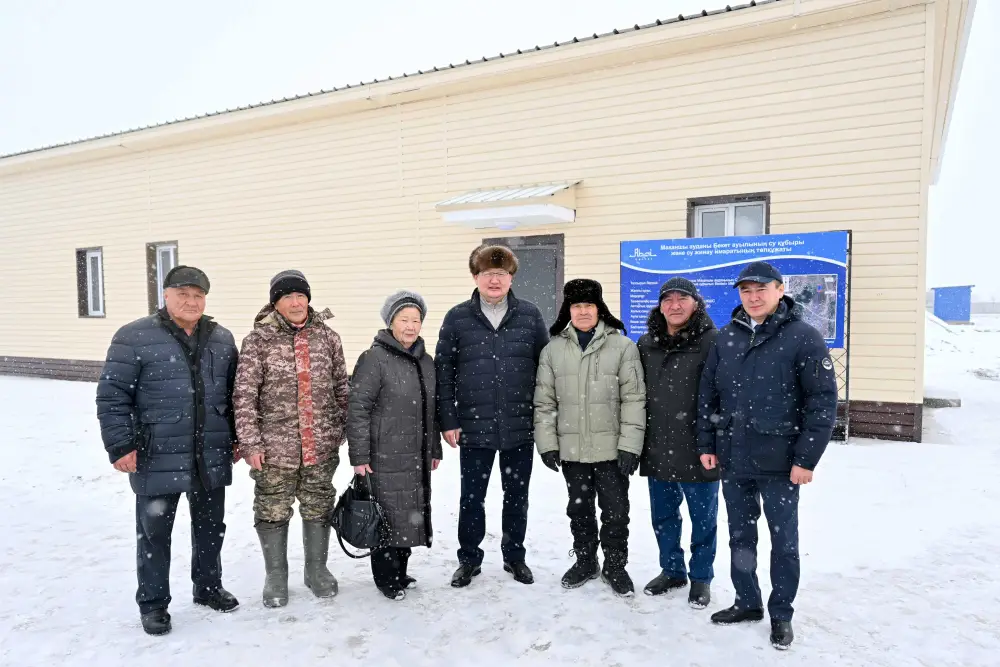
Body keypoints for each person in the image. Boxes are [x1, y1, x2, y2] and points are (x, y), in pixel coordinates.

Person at [697, 261, 838, 650]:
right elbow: (708, 395)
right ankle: (747, 602)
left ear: (779, 290)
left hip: (781, 462)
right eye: (746, 290)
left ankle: (781, 614)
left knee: (784, 542)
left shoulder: (803, 337)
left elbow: (822, 402)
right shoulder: (727, 337)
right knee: (740, 536)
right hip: (734, 458)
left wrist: (806, 459)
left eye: (761, 289)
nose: (753, 297)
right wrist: (707, 445)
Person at [96, 265, 240, 636]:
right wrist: (120, 445)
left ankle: (208, 586)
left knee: (211, 527)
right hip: (156, 452)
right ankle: (154, 603)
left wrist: (237, 437)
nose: (191, 302)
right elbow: (112, 396)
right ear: (166, 295)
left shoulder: (222, 339)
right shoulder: (134, 337)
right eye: (183, 294)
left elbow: (234, 395)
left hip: (209, 451)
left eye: (198, 295)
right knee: (154, 533)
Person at [232, 270, 349, 607]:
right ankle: (276, 576)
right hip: (274, 450)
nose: (296, 303)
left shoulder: (328, 337)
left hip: (320, 445)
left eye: (301, 296)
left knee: (319, 505)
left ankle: (316, 570)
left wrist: (342, 429)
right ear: (276, 303)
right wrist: (250, 443)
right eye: (287, 297)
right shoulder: (258, 341)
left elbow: (342, 389)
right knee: (271, 509)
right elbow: (244, 396)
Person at [435, 244, 549, 588]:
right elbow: (444, 371)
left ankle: (514, 556)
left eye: (501, 274)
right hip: (474, 426)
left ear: (511, 278)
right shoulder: (457, 317)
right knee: (472, 498)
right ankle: (469, 560)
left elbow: (546, 369)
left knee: (517, 496)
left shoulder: (530, 315)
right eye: (487, 274)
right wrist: (448, 419)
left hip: (519, 423)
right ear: (476, 277)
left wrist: (543, 416)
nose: (494, 280)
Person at [534, 279, 645, 597]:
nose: (583, 311)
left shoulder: (623, 347)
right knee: (579, 510)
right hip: (573, 450)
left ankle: (615, 565)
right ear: (568, 310)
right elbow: (544, 402)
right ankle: (586, 561)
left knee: (616, 512)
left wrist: (630, 445)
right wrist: (548, 443)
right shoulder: (553, 350)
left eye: (589, 305)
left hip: (612, 450)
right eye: (577, 306)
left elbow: (634, 399)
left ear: (600, 309)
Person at [347, 290, 442, 600]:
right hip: (383, 455)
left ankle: (400, 571)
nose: (411, 326)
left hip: (415, 455)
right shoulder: (373, 359)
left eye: (416, 320)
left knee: (409, 514)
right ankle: (386, 578)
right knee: (386, 516)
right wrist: (359, 455)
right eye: (404, 320)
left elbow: (431, 410)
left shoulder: (426, 361)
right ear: (390, 322)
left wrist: (434, 448)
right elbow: (358, 410)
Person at [638, 277, 719, 607]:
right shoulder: (647, 343)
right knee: (663, 516)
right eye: (667, 299)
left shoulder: (713, 341)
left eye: (682, 298)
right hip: (657, 444)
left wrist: (712, 442)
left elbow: (722, 396)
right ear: (660, 306)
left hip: (699, 449)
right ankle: (672, 570)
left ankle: (701, 577)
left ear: (695, 303)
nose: (674, 305)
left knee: (704, 519)